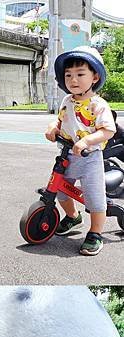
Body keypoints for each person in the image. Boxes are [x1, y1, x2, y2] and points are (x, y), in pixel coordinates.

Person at [45, 46, 116, 256]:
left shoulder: (98, 104)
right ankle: (73, 216)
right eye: (68, 75)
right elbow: (61, 121)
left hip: (89, 158)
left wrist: (87, 141)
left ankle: (95, 233)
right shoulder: (67, 101)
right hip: (67, 155)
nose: (73, 80)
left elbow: (108, 130)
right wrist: (53, 128)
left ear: (94, 77)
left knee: (95, 198)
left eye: (80, 74)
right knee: (59, 190)